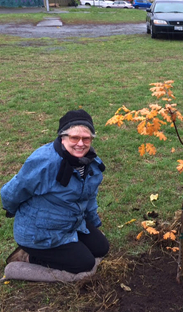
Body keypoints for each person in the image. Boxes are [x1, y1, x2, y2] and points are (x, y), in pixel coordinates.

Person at [1, 109, 109, 274]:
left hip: (70, 222)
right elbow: (11, 193)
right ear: (62, 137)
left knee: (101, 248)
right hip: (40, 233)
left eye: (86, 138)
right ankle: (26, 257)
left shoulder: (92, 164)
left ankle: (69, 242)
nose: (80, 143)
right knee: (84, 264)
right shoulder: (43, 162)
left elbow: (89, 197)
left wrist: (93, 223)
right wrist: (15, 212)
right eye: (74, 137)